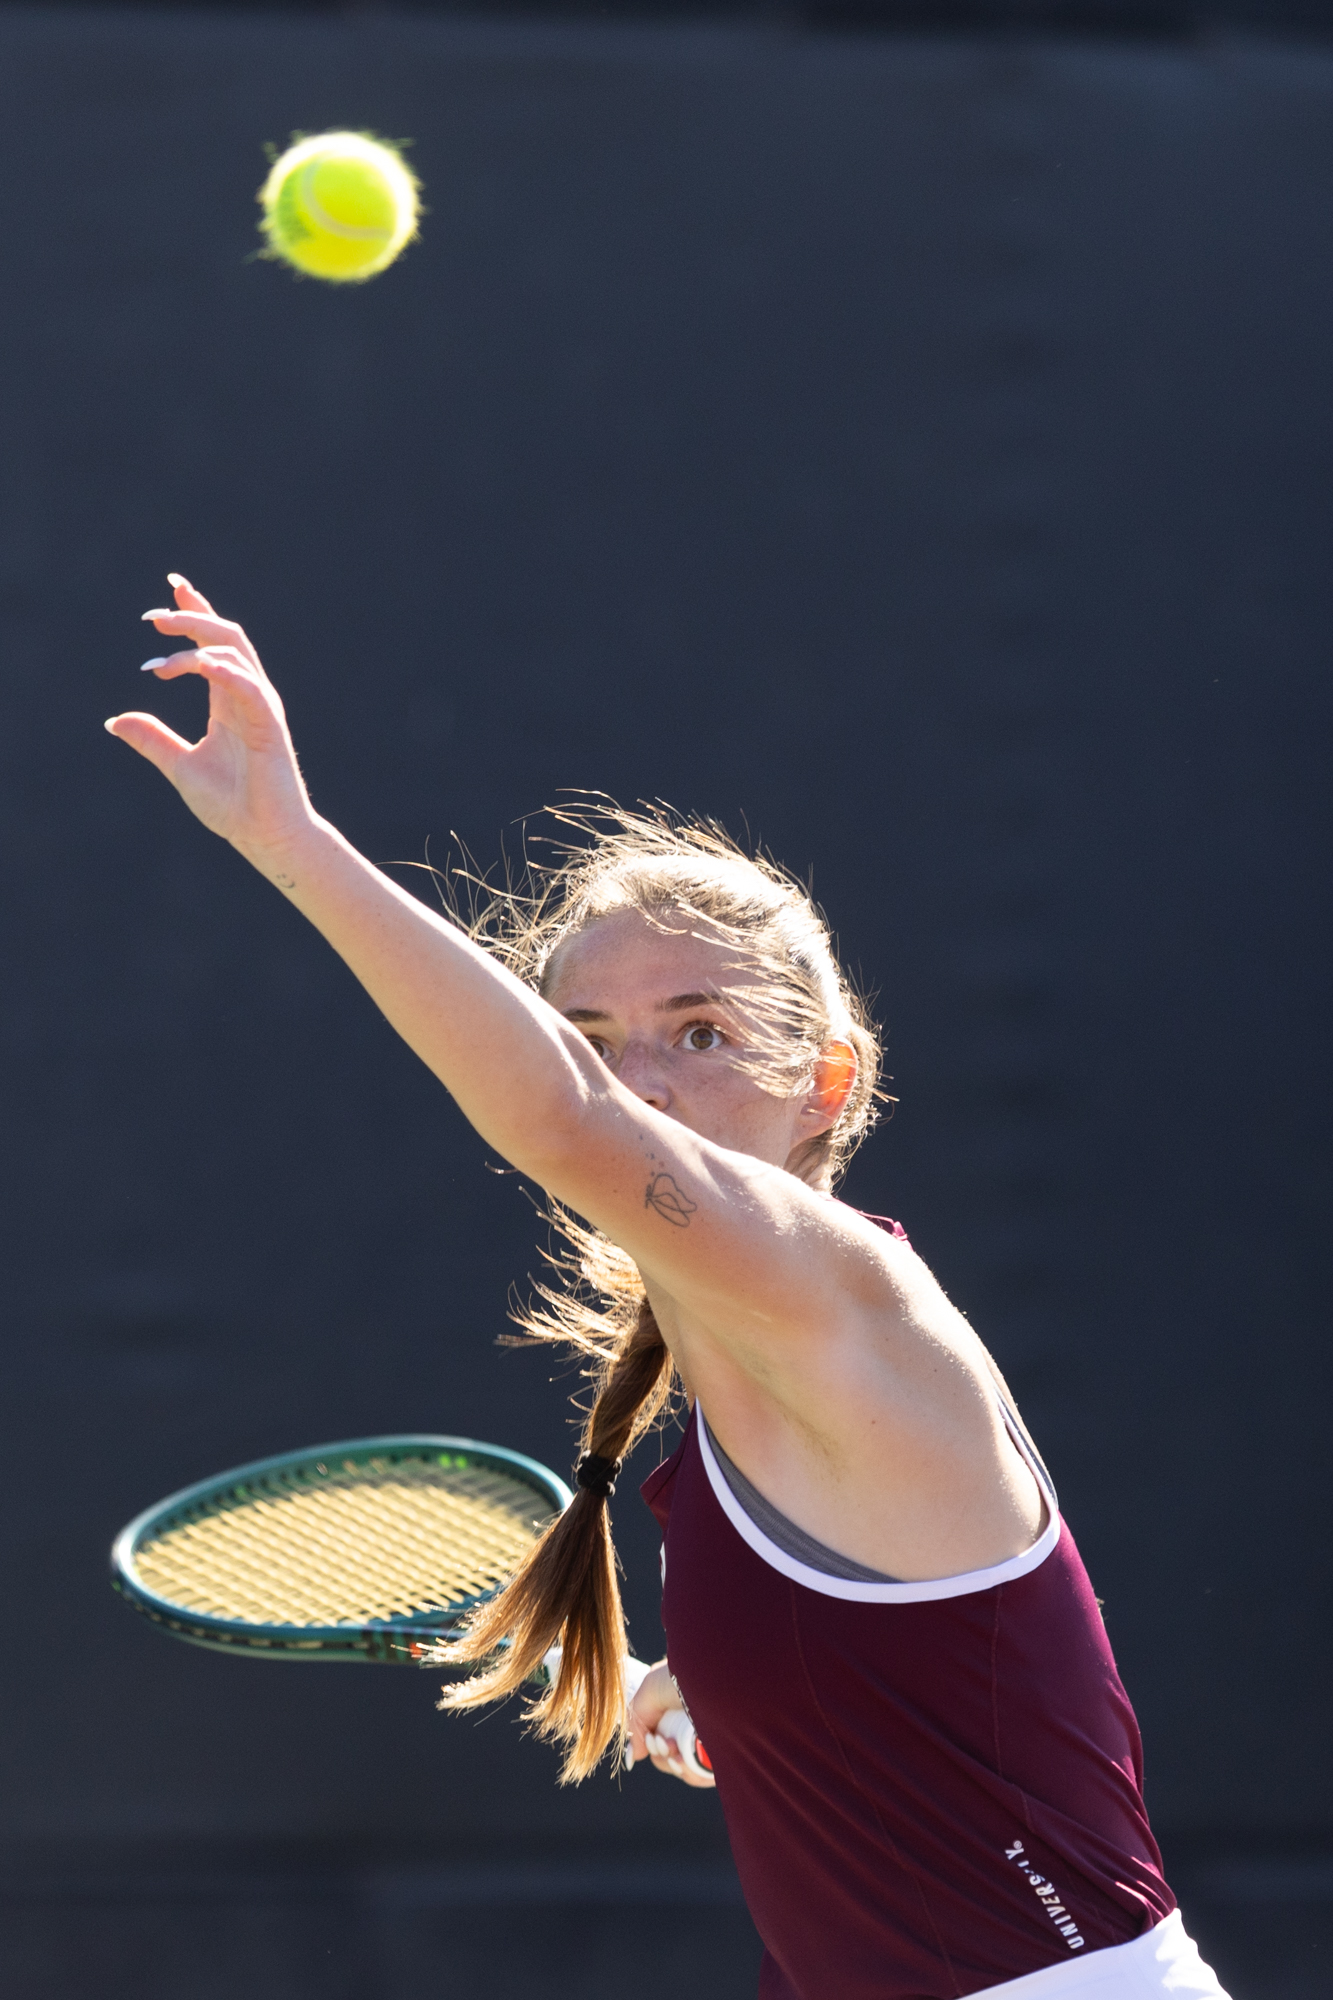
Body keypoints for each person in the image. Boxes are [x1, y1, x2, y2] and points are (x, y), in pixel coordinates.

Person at [109, 576, 1230, 2000]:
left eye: (697, 1032)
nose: (639, 1079)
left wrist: (293, 844)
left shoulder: (846, 1301)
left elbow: (566, 1122)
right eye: (588, 1033)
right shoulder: (718, 1403)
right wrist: (710, 1694)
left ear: (827, 1084)